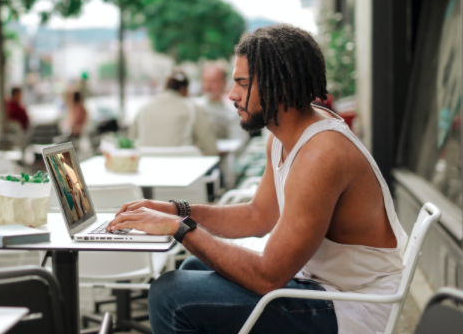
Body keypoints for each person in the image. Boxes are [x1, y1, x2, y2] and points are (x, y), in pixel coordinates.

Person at [107, 24, 407, 334]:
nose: (231, 95)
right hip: (325, 286)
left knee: (170, 295)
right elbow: (257, 215)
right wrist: (176, 210)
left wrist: (179, 229)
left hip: (354, 308)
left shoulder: (321, 155)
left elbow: (268, 276)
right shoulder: (284, 134)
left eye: (242, 83)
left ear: (282, 84)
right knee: (193, 267)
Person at [129, 71, 217, 156]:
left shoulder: (143, 109)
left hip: (148, 168)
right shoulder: (194, 109)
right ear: (184, 90)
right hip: (185, 169)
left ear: (165, 87)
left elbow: (130, 142)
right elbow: (211, 150)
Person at [199, 62, 247, 141]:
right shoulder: (194, 107)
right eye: (206, 80)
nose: (208, 85)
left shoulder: (233, 112)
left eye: (213, 81)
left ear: (224, 83)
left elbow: (238, 140)